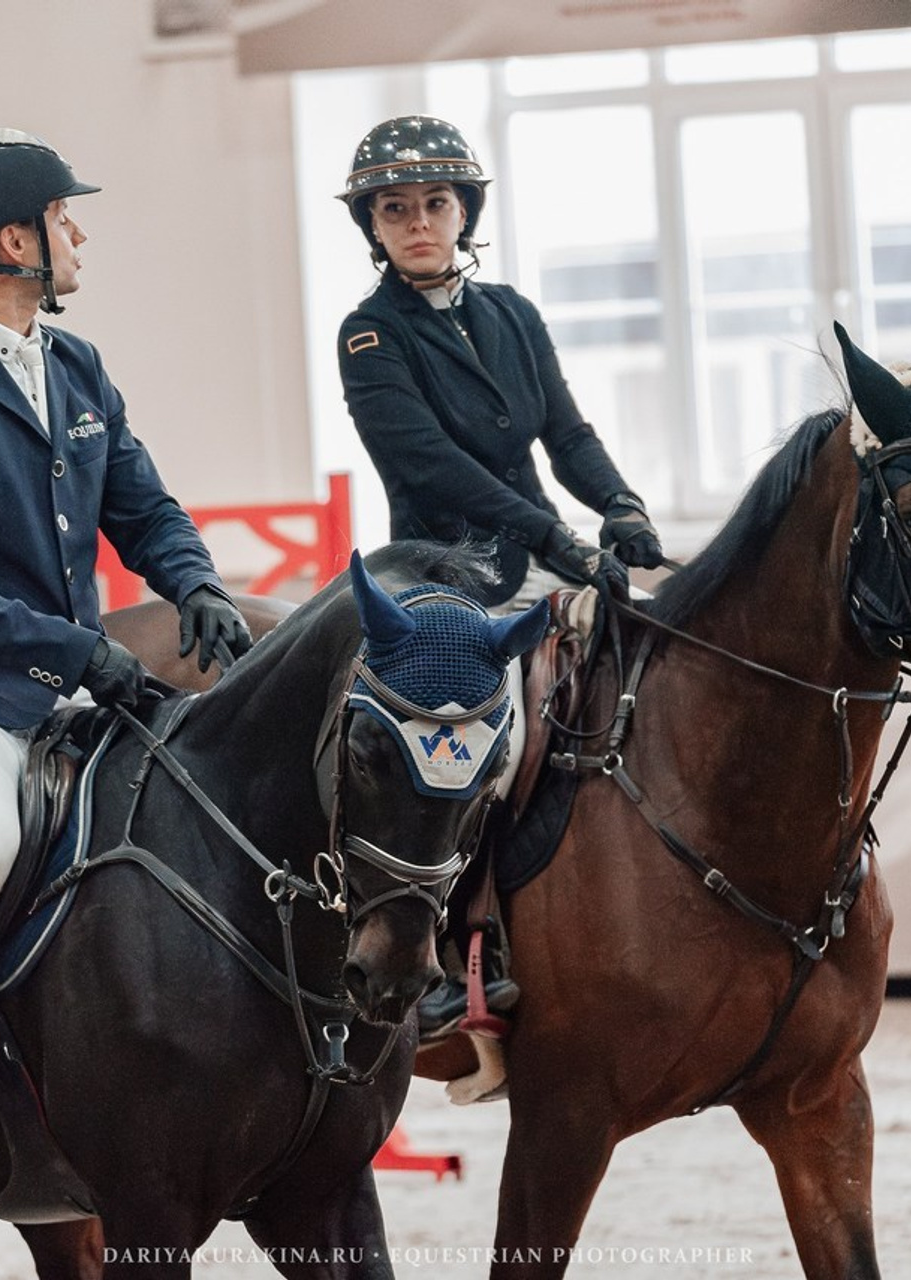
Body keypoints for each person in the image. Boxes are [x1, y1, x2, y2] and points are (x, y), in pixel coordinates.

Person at [0, 127, 252, 1163]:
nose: (78, 232)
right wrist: (75, 653)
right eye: (62, 216)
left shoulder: (74, 365)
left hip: (75, 680)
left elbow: (145, 507)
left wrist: (195, 582)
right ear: (11, 239)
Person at [336, 115, 666, 1036]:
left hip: (545, 552)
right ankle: (450, 943)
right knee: (495, 735)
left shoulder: (513, 314)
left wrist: (622, 506)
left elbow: (565, 433)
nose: (417, 223)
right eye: (394, 209)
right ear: (372, 226)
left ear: (462, 211)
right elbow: (436, 467)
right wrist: (564, 544)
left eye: (434, 203)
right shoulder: (368, 338)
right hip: (449, 575)